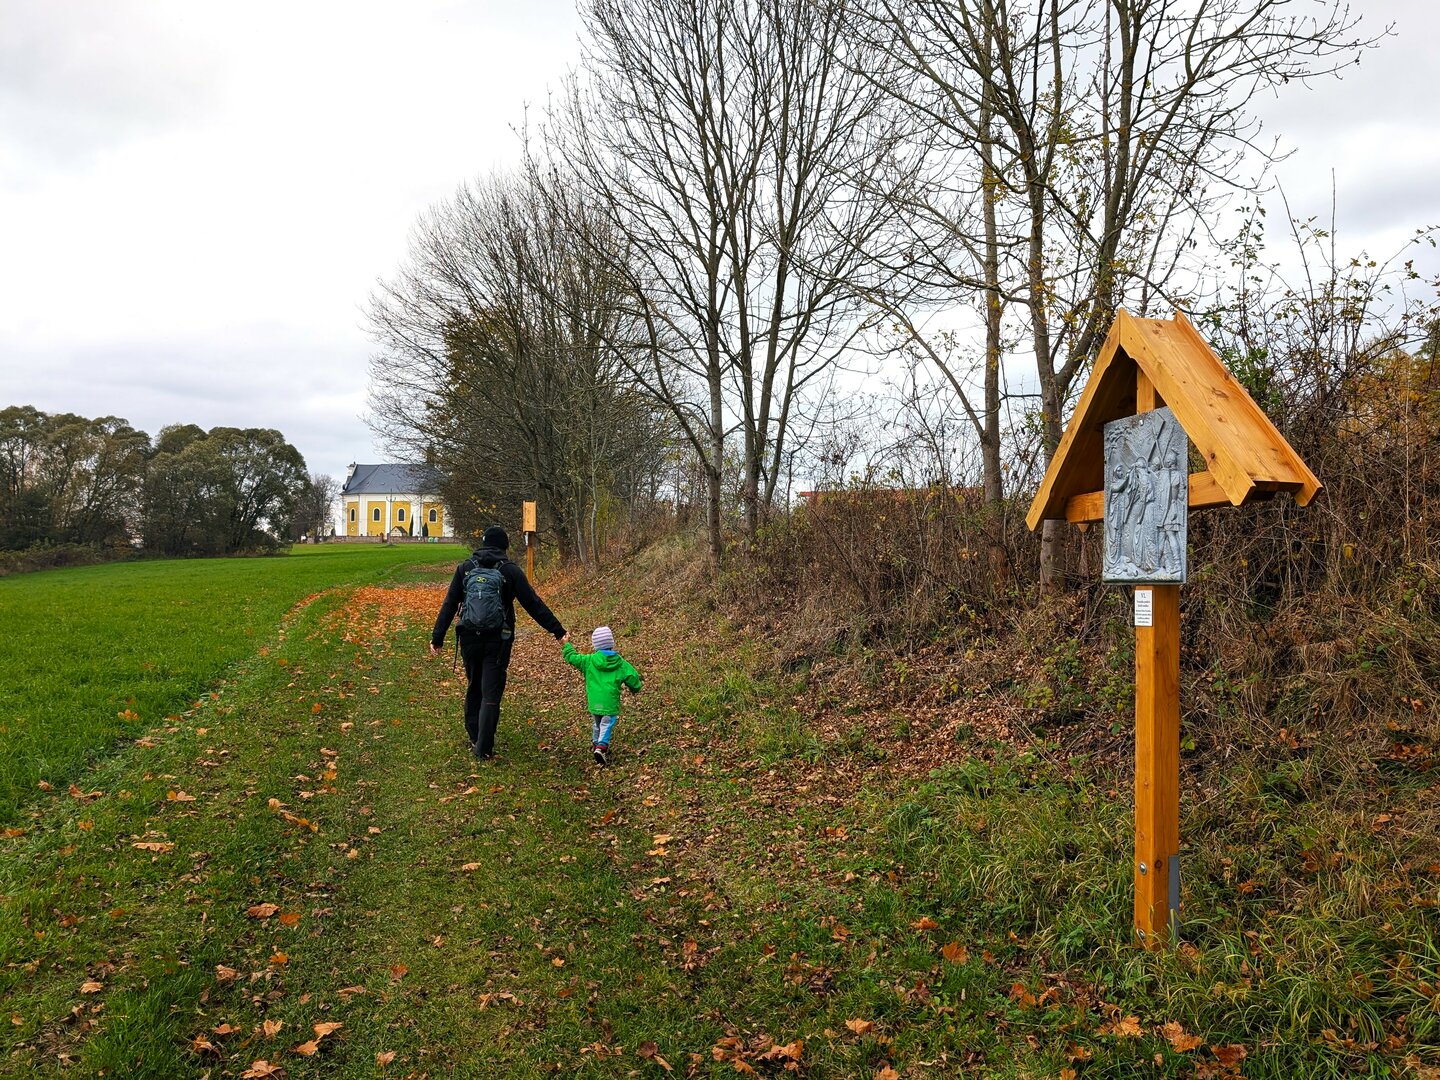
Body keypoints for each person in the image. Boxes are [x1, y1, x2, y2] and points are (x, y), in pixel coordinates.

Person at [430, 525, 568, 759]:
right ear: (504, 546)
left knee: (474, 685)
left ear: (483, 544)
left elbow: (450, 603)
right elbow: (533, 603)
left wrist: (437, 637)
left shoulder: (465, 568)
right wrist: (557, 630)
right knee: (491, 692)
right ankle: (483, 748)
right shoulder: (510, 570)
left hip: (469, 637)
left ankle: (475, 735)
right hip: (499, 639)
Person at [562, 625, 641, 766]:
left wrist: (566, 644)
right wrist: (636, 688)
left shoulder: (589, 661)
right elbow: (632, 676)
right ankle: (601, 747)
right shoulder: (620, 663)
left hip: (594, 702)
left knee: (597, 723)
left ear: (595, 645)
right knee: (607, 723)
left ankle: (595, 744)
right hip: (609, 702)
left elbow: (572, 658)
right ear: (611, 643)